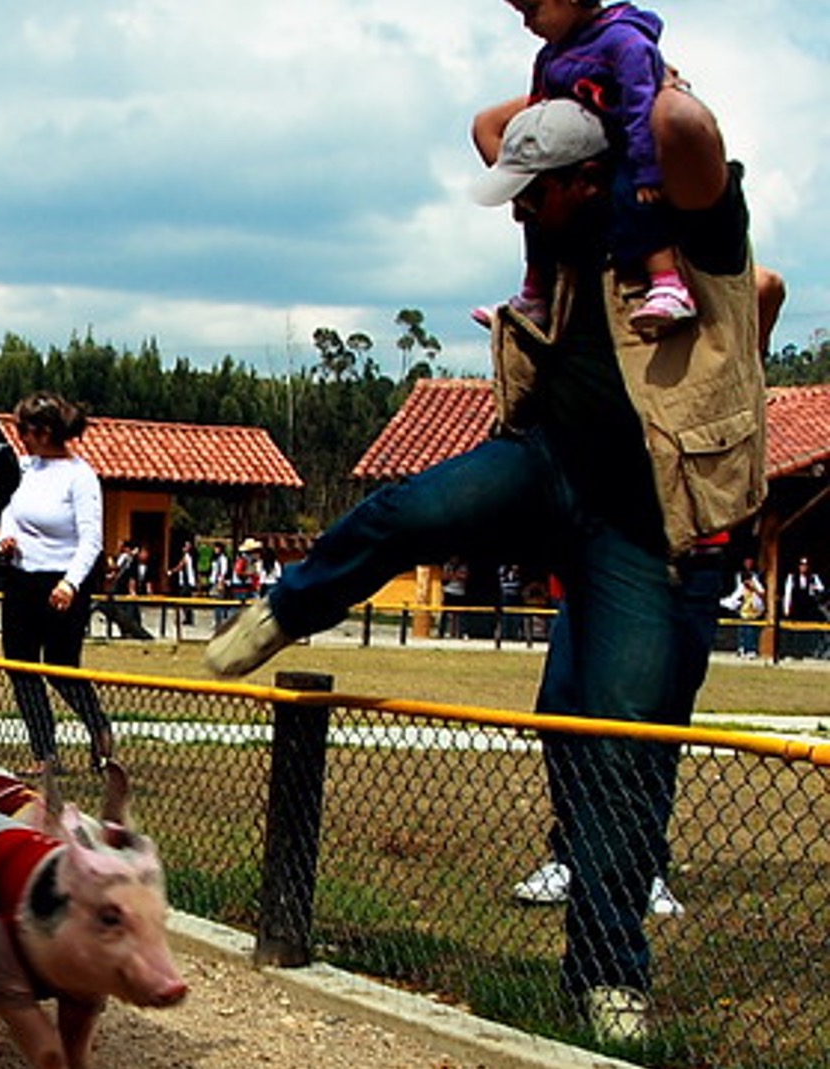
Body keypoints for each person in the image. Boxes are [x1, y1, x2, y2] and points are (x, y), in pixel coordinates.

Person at [207, 96, 763, 1042]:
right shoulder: (560, 227)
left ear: (588, 183)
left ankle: (607, 974)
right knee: (405, 507)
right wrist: (575, 71)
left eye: (531, 197)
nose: (517, 212)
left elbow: (688, 132)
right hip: (546, 467)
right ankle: (285, 611)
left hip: (642, 521)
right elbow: (489, 123)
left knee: (619, 742)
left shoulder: (692, 230)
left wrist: (641, 71)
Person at [473, 1, 693, 335]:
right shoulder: (550, 57)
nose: (527, 24)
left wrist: (646, 169)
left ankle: (668, 280)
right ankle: (535, 296)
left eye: (532, 10)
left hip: (624, 151)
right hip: (572, 150)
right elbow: (536, 107)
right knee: (537, 213)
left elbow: (640, 110)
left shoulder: (625, 43)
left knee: (634, 196)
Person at [0, 392, 111, 775]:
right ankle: (45, 752)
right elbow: (9, 510)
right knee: (21, 664)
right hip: (21, 576)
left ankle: (99, 730)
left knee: (61, 666)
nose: (19, 437)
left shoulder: (81, 476)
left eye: (22, 430)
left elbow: (91, 538)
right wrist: (5, 539)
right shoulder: (25, 468)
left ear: (44, 432)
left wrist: (71, 583)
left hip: (62, 580)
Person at [721, 558, 765, 659]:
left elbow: (762, 593)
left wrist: (754, 589)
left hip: (754, 610)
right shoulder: (742, 586)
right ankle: (742, 648)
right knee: (742, 630)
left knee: (751, 630)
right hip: (744, 610)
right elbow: (735, 596)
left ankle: (751, 649)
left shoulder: (756, 582)